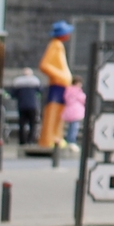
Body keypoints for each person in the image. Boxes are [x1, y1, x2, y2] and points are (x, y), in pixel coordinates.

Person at [36, 21, 73, 150]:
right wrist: (61, 76)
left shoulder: (58, 45)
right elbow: (44, 65)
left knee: (59, 113)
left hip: (61, 85)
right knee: (53, 112)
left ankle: (56, 137)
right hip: (57, 85)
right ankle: (48, 139)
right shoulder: (55, 45)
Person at [8, 66, 44, 146]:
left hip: (22, 105)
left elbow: (12, 94)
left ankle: (22, 141)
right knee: (33, 124)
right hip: (33, 105)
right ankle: (30, 140)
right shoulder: (35, 81)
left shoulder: (17, 82)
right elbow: (41, 91)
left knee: (22, 124)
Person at [62, 75, 86, 145]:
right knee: (74, 127)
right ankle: (71, 141)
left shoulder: (68, 90)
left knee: (70, 126)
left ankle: (69, 140)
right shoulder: (78, 91)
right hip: (76, 110)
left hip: (69, 110)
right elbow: (83, 99)